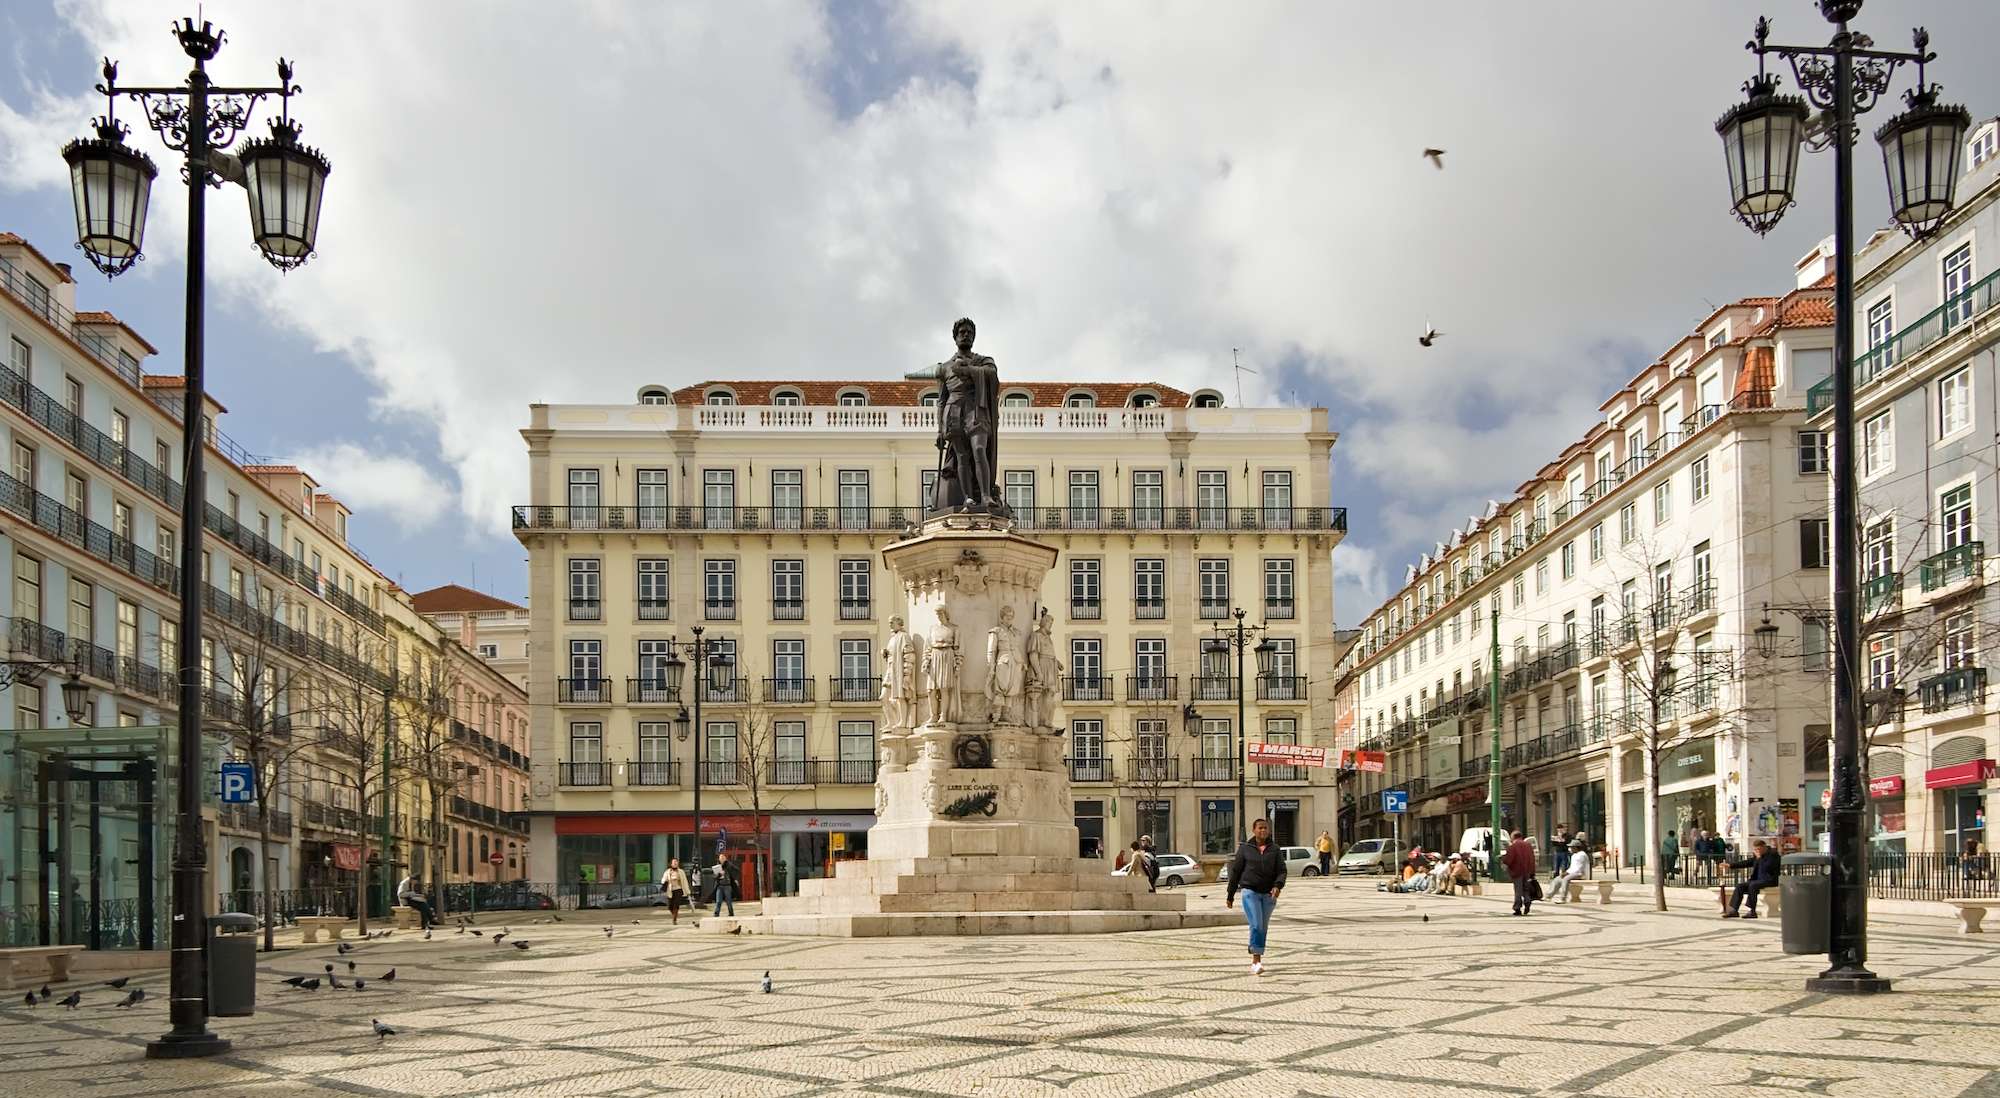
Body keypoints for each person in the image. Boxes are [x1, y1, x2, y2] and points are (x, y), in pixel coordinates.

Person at [1225, 818, 1286, 976]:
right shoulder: (1245, 849)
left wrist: (1277, 886)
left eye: (1265, 828)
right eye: (1260, 828)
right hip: (1250, 891)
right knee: (1257, 925)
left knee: (1262, 927)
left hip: (1268, 895)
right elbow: (1236, 872)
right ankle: (1256, 961)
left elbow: (1282, 870)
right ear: (1254, 830)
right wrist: (1230, 895)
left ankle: (1257, 956)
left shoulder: (1275, 849)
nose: (1263, 831)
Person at [1723, 839, 1780, 918]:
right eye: (1755, 849)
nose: (1757, 851)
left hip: (1769, 880)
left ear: (1764, 847)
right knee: (1740, 886)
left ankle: (1752, 911)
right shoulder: (1758, 855)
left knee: (1753, 885)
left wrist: (1760, 858)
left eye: (1759, 849)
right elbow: (1748, 862)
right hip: (1758, 880)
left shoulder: (1773, 854)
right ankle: (1734, 910)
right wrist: (1730, 865)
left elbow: (1769, 867)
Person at [1502, 829, 1537, 915]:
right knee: (1526, 889)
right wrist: (1532, 871)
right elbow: (1532, 859)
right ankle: (1527, 902)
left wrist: (1504, 861)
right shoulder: (1528, 845)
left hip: (1517, 871)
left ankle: (1517, 908)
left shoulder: (1513, 847)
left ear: (1513, 837)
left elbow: (1509, 859)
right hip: (1527, 871)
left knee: (1518, 890)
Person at [660, 859, 690, 925]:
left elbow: (685, 881)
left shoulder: (681, 872)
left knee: (676, 904)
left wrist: (687, 891)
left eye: (676, 862)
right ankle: (674, 914)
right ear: (671, 864)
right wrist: (665, 880)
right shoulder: (667, 872)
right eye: (674, 862)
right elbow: (663, 880)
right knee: (670, 906)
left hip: (678, 889)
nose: (675, 863)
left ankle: (674, 919)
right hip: (670, 890)